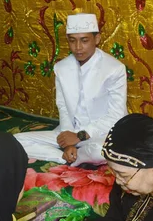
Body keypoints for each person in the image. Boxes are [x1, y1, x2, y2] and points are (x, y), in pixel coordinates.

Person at [14, 13, 128, 166]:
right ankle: (66, 157)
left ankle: (75, 156)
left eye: (84, 40)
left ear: (97, 39)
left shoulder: (114, 69)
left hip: (101, 133)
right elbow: (63, 107)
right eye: (72, 41)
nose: (78, 47)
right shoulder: (61, 68)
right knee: (17, 140)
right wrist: (68, 141)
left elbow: (116, 116)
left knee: (101, 150)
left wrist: (80, 136)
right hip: (70, 132)